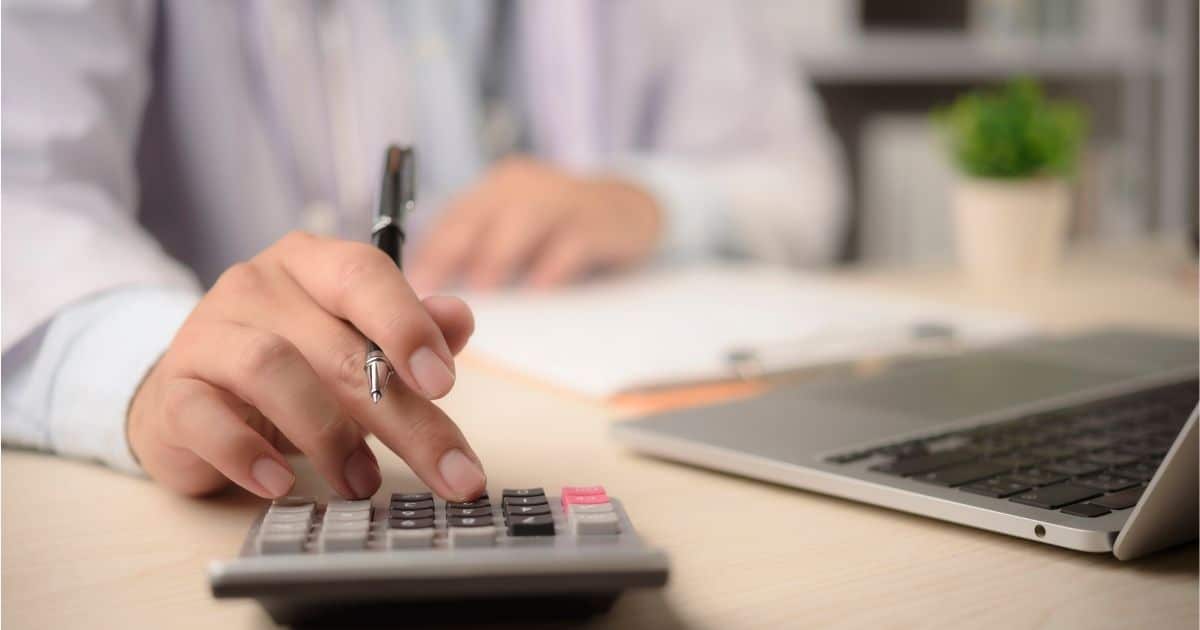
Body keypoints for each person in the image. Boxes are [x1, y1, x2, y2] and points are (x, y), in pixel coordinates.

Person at [1, 1, 844, 502]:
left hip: (609, 426)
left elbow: (798, 176)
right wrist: (149, 362)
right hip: (255, 467)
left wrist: (647, 199)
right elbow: (20, 197)